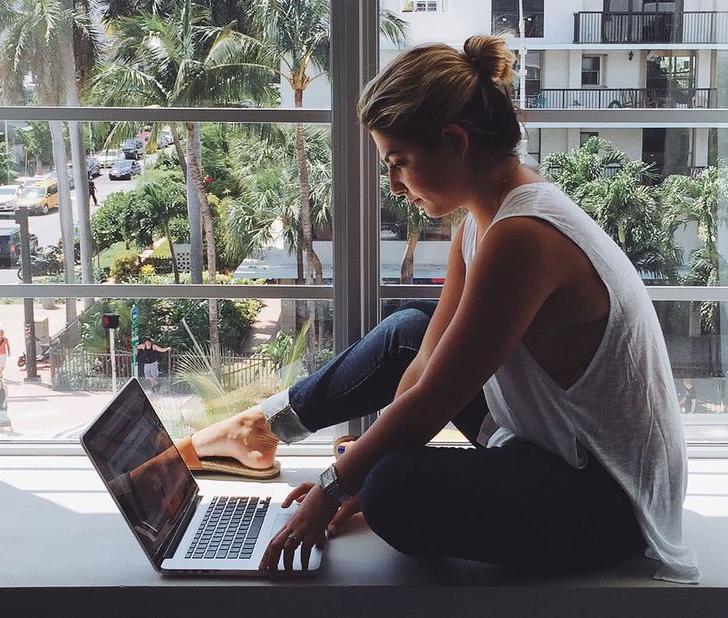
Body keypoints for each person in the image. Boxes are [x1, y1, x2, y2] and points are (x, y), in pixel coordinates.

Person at [174, 35, 698, 583]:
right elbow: (422, 364)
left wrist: (339, 484)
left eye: (399, 162)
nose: (395, 186)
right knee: (409, 332)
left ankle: (295, 442)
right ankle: (264, 425)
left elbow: (436, 398)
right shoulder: (483, 219)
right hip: (554, 444)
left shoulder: (524, 235)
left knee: (393, 490)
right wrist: (356, 468)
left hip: (605, 497)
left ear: (455, 141)